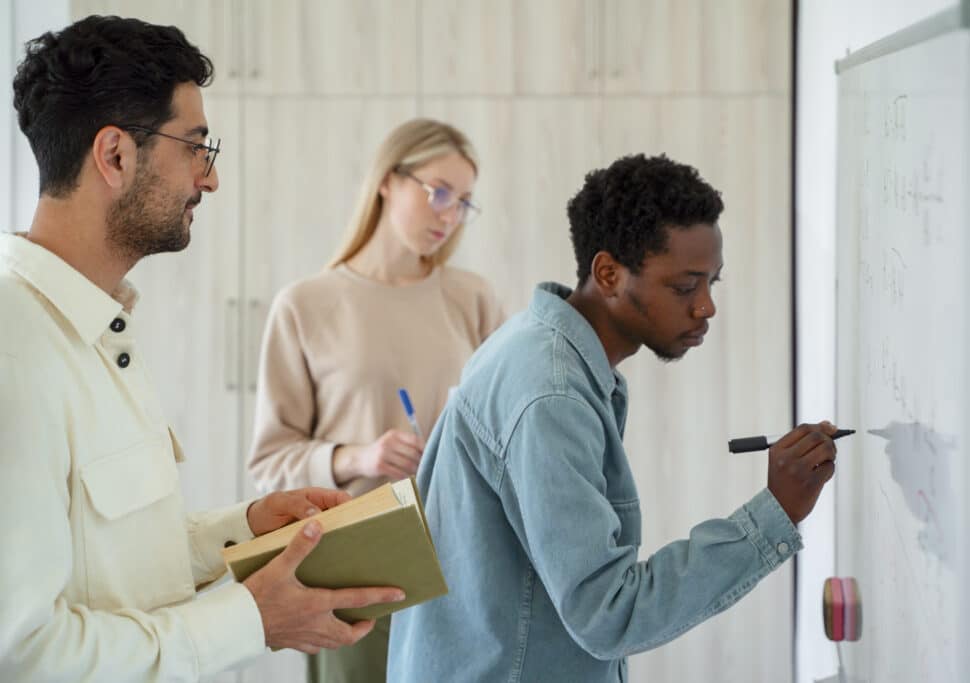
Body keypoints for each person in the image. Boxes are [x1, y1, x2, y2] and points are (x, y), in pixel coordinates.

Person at [0, 16, 404, 681]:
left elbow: (114, 561)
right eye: (195, 147)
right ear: (116, 155)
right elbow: (27, 652)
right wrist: (254, 618)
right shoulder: (17, 349)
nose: (208, 179)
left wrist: (244, 529)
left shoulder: (99, 328)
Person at [388, 154, 841, 682]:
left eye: (712, 283)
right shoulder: (552, 395)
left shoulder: (537, 345)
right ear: (609, 274)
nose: (706, 307)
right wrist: (774, 513)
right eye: (684, 286)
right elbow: (609, 614)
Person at [247, 118, 504, 682]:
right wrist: (356, 458)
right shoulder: (306, 306)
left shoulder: (474, 299)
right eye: (439, 192)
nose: (449, 214)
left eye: (464, 202)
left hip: (464, 562)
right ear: (388, 180)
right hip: (355, 574)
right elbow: (270, 463)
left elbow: (508, 433)